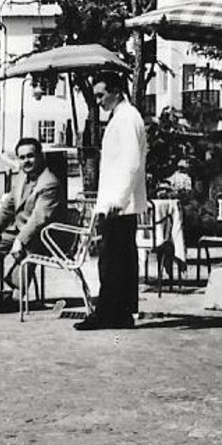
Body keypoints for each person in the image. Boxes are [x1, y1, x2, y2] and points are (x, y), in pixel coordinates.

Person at [76, 69, 148, 332]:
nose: (98, 101)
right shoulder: (123, 117)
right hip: (119, 202)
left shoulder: (127, 118)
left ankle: (108, 312)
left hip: (120, 204)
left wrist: (118, 200)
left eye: (101, 94)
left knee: (113, 260)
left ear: (117, 91)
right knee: (121, 259)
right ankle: (121, 312)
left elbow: (131, 162)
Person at [0, 137, 71, 285]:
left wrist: (20, 240)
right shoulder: (22, 178)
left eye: (30, 156)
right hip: (22, 232)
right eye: (22, 157)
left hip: (45, 237)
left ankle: (16, 295)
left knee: (27, 248)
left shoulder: (49, 183)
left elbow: (38, 219)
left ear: (40, 156)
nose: (26, 161)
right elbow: (7, 207)